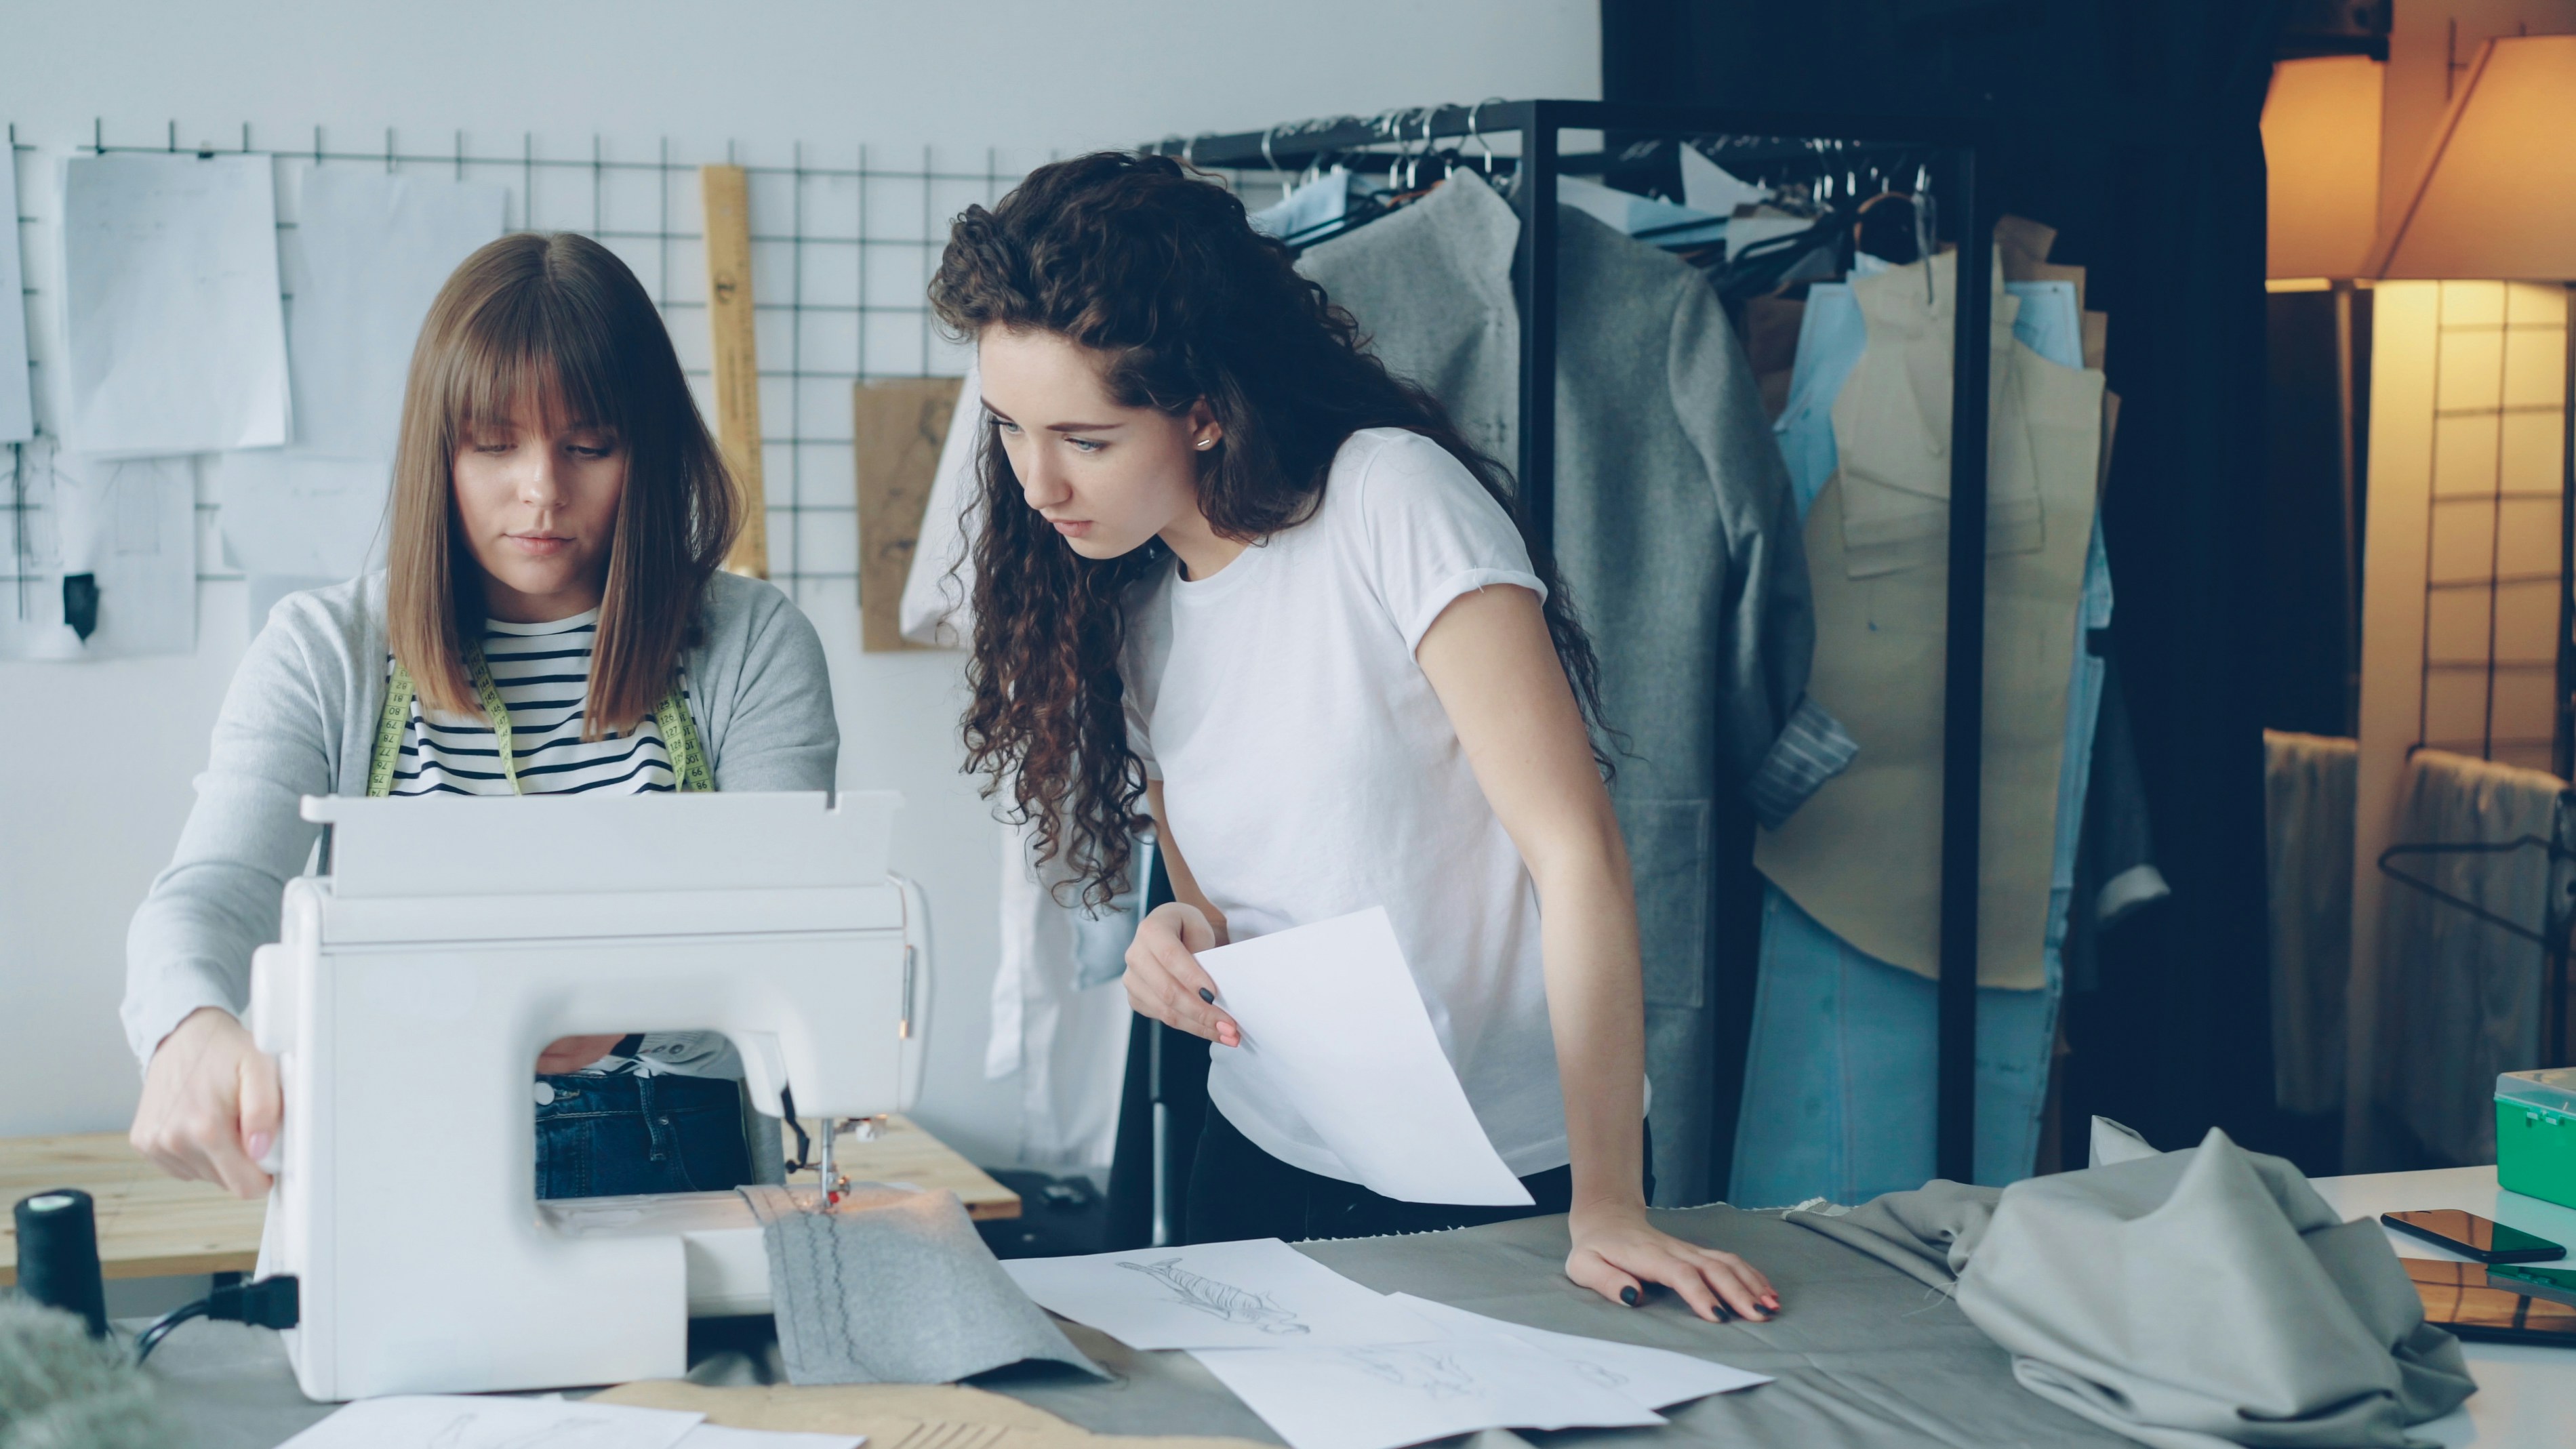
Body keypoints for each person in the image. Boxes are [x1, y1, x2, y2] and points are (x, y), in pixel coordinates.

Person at [929, 152, 1779, 1323]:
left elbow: (1576, 857)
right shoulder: (1120, 601)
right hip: (1264, 1150)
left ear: (1206, 408)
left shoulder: (1391, 501)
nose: (1037, 482)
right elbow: (1218, 896)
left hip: (1506, 1171)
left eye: (1085, 438)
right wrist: (1175, 939)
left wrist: (1611, 1204)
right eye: (1012, 429)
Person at [123, 232, 837, 1202]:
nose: (541, 487)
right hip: (399, 1160)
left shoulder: (752, 646)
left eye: (589, 444)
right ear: (438, 450)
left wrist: (624, 1017)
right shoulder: (322, 652)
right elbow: (209, 893)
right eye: (494, 443)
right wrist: (188, 1023)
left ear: (648, 447)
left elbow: (789, 942)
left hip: (683, 1175)